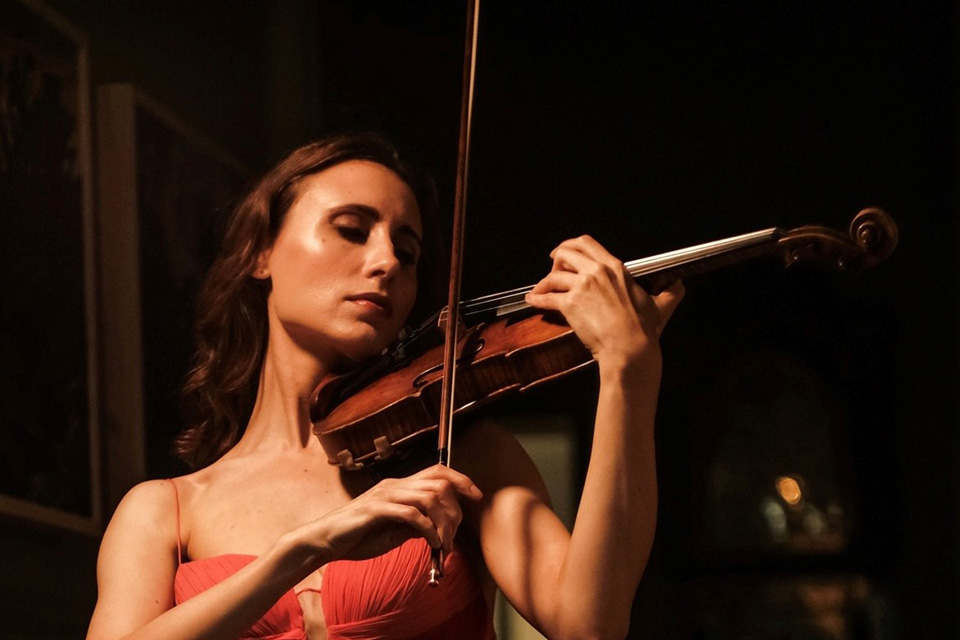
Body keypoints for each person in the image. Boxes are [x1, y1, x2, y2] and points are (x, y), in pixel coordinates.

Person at [86, 133, 684, 640]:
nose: (387, 262)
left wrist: (630, 370)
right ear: (260, 252)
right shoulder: (166, 509)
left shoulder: (460, 454)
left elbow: (591, 624)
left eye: (407, 249)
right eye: (351, 229)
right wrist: (302, 551)